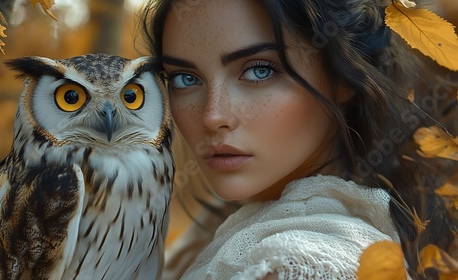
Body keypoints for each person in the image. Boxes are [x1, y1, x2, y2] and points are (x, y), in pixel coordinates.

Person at [139, 0, 457, 279]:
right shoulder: (220, 237)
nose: (213, 115)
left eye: (259, 71)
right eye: (185, 79)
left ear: (343, 74)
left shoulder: (294, 264)